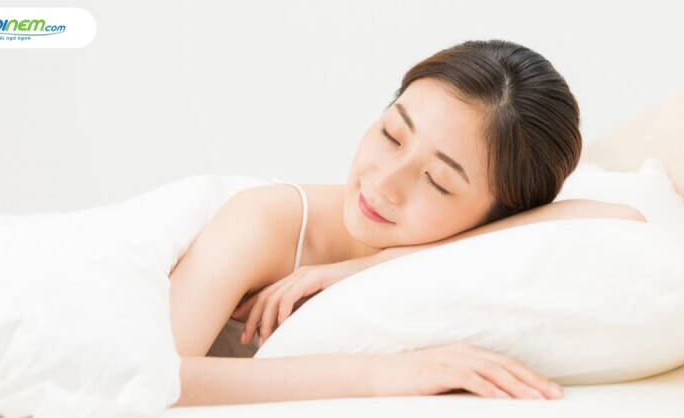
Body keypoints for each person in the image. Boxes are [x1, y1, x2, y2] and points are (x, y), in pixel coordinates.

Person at [168, 39, 646, 407]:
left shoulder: (422, 259)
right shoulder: (265, 220)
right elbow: (154, 376)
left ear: (502, 213)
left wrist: (371, 266)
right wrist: (392, 374)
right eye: (392, 135)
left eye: (438, 181)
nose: (384, 183)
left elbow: (620, 219)